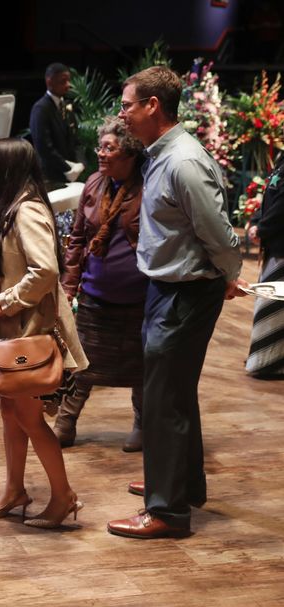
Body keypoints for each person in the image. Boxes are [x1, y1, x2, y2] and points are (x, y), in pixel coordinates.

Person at [107, 66, 247, 540]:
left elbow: (220, 233)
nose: (122, 113)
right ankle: (180, 483)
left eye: (128, 104)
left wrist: (230, 274)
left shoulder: (183, 160)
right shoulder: (158, 154)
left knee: (164, 398)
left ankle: (167, 510)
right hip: (168, 288)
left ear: (152, 106)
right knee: (174, 391)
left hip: (186, 291)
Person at [0, 137, 89, 529]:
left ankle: (64, 496)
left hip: (31, 332)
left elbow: (46, 271)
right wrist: (3, 286)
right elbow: (27, 269)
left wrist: (7, 300)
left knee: (28, 416)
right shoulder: (13, 208)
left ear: (7, 167)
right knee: (11, 412)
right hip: (17, 331)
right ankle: (14, 490)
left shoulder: (26, 211)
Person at [55, 117, 147, 452]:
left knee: (142, 366)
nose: (101, 154)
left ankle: (141, 423)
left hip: (140, 297)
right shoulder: (94, 184)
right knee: (83, 364)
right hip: (95, 294)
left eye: (110, 148)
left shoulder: (147, 185)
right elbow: (78, 238)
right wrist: (69, 284)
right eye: (100, 147)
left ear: (130, 152)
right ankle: (65, 422)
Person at [246, 155, 284, 377]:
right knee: (270, 301)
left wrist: (262, 229)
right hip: (275, 246)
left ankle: (270, 361)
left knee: (275, 303)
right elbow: (271, 194)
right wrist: (257, 221)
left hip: (281, 247)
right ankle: (264, 356)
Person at [29, 63, 83, 186]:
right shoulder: (41, 109)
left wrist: (80, 163)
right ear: (49, 82)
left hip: (68, 175)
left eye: (68, 80)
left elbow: (76, 140)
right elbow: (44, 147)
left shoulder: (66, 107)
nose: (68, 85)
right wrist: (68, 168)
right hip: (49, 176)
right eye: (63, 81)